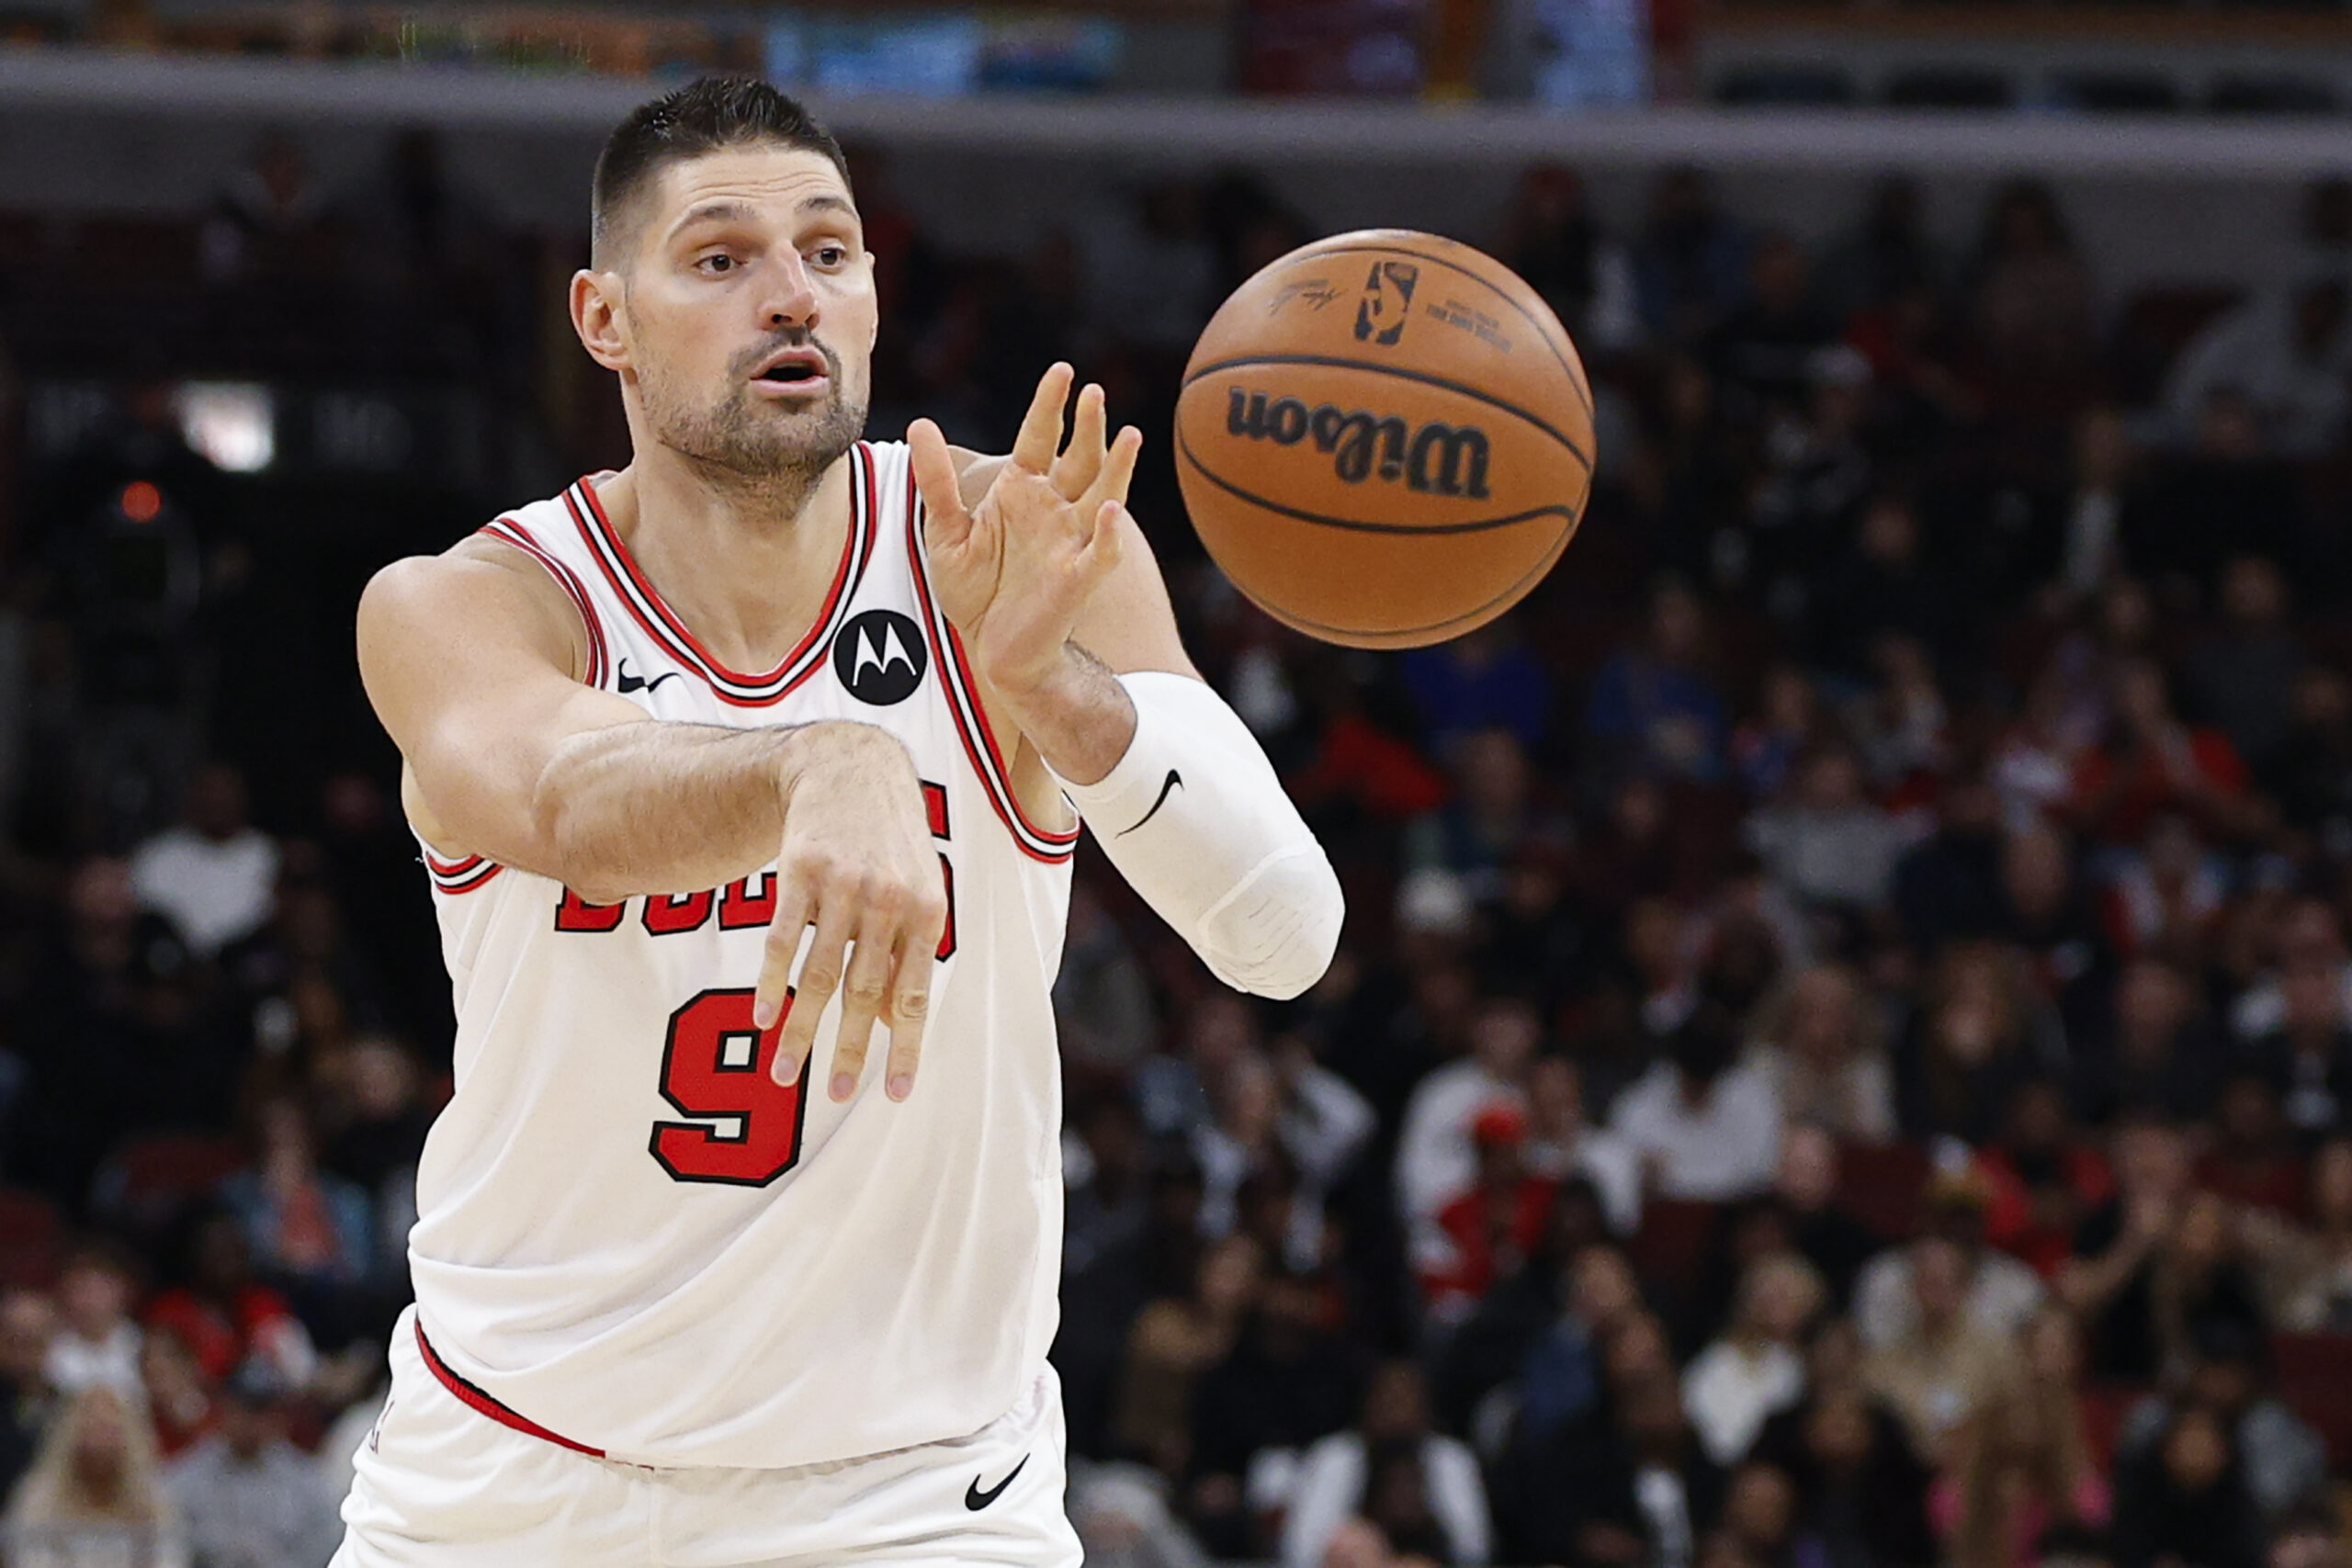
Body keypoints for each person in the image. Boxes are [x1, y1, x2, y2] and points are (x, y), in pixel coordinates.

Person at [339, 77, 1342, 1565]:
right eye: (720, 258)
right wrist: (809, 764)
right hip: (514, 1481)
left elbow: (1283, 936)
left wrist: (1055, 695)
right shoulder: (477, 603)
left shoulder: (1020, 546)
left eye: (828, 250)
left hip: (922, 1497)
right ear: (605, 318)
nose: (791, 295)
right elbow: (552, 793)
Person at [164, 1359, 345, 1568]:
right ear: (224, 1409)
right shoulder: (185, 1477)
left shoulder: (308, 1482)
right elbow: (171, 1545)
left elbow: (325, 1550)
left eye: (260, 1411)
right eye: (241, 1409)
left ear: (277, 1416)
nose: (249, 1421)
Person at [2, 1384, 190, 1568]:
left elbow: (169, 1558)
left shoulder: (155, 1503)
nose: (100, 1444)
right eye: (92, 1431)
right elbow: (30, 1559)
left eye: (109, 1432)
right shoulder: (38, 1500)